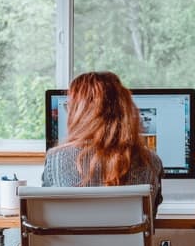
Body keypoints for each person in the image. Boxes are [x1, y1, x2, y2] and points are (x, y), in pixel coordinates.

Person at [42, 71, 163, 214]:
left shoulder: (56, 159)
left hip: (71, 237)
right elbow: (150, 219)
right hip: (126, 237)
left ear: (79, 112)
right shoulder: (151, 161)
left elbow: (48, 214)